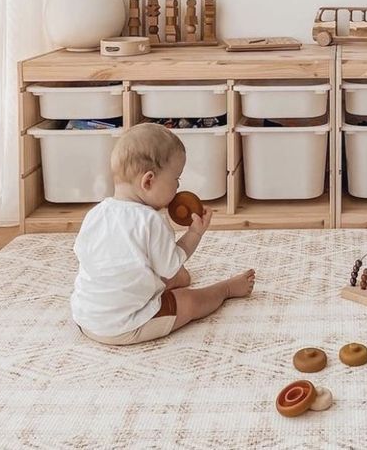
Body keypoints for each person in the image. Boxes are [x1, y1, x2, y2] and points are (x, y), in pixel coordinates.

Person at [70, 123, 255, 345]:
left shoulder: (97, 213)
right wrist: (195, 233)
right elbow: (171, 266)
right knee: (188, 301)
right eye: (176, 179)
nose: (177, 187)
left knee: (149, 268)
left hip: (86, 317)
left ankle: (157, 285)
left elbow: (89, 257)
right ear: (148, 181)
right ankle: (226, 289)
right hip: (126, 326)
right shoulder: (151, 221)